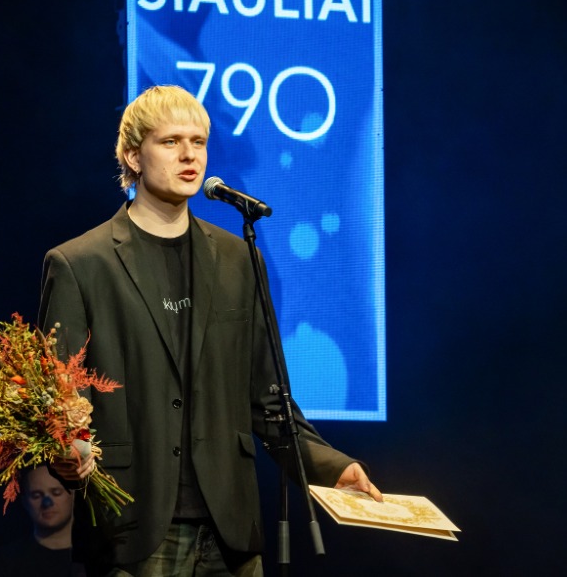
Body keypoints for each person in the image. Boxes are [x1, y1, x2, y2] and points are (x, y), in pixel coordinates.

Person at [39, 84, 381, 577]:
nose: (189, 155)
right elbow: (60, 395)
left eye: (198, 142)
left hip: (230, 529)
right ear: (133, 156)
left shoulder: (239, 258)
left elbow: (267, 398)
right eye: (170, 141)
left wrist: (330, 466)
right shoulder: (80, 263)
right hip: (132, 528)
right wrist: (66, 450)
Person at [0, 465, 86, 577]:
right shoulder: (1, 564)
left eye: (56, 493)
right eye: (36, 495)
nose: (47, 503)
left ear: (74, 495)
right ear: (25, 502)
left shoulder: (94, 557)